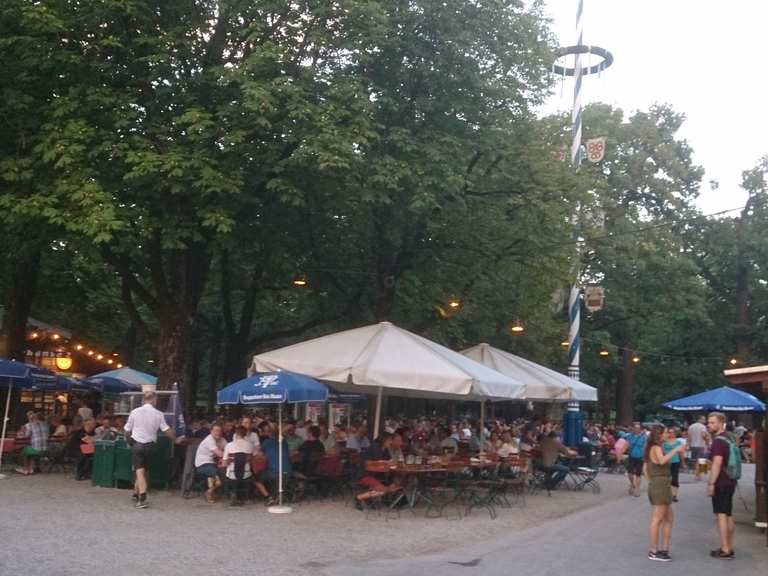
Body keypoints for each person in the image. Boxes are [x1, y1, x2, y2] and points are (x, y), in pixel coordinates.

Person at [124, 391, 174, 508]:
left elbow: (127, 429)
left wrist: (129, 441)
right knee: (143, 471)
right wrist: (175, 439)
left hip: (137, 444)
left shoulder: (135, 412)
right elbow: (166, 430)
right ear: (154, 400)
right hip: (150, 446)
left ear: (144, 399)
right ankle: (135, 494)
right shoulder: (159, 414)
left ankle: (142, 498)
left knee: (139, 471)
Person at [644, 425, 686, 561]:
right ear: (659, 434)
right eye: (667, 432)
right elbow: (662, 460)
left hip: (661, 483)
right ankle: (654, 551)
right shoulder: (656, 448)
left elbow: (645, 468)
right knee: (658, 519)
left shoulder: (654, 447)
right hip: (660, 484)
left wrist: (650, 480)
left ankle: (664, 549)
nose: (669, 434)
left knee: (668, 518)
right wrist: (676, 449)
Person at [706, 411, 738, 559]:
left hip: (721, 482)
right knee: (728, 513)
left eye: (712, 422)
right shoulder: (729, 437)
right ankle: (729, 546)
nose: (709, 425)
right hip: (731, 480)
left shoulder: (718, 441)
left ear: (720, 423)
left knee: (721, 515)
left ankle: (725, 549)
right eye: (709, 422)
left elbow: (717, 463)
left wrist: (711, 483)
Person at [194, 422, 226, 503]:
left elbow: (229, 448)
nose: (218, 433)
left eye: (219, 431)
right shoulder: (209, 440)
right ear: (211, 431)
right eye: (216, 431)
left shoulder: (222, 439)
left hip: (213, 464)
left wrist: (224, 456)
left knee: (221, 473)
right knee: (218, 475)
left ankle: (210, 490)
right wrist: (224, 456)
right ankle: (210, 492)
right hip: (202, 464)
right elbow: (220, 453)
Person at [222, 426, 254, 506]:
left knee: (223, 472)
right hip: (246, 473)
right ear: (245, 434)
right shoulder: (250, 445)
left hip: (232, 474)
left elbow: (224, 463)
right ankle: (245, 496)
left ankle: (232, 493)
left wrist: (228, 463)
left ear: (235, 434)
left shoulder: (229, 445)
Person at [15, 411, 49, 476]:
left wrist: (21, 434)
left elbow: (26, 435)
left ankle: (25, 469)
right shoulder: (46, 424)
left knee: (24, 450)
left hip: (36, 450)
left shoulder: (30, 425)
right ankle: (31, 469)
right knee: (30, 450)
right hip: (46, 450)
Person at [623, 423, 647, 497]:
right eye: (635, 428)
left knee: (638, 474)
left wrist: (645, 457)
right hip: (631, 457)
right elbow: (626, 445)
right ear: (633, 429)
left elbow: (645, 448)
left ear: (640, 429)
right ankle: (632, 484)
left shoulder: (644, 437)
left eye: (638, 428)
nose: (636, 429)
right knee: (630, 474)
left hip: (640, 457)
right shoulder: (630, 436)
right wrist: (621, 453)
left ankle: (637, 489)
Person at [663, 427, 685, 502]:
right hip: (666, 462)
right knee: (666, 478)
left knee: (675, 479)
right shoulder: (664, 442)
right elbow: (661, 452)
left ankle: (674, 495)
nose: (671, 434)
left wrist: (683, 463)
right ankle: (666, 494)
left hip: (675, 461)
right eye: (670, 432)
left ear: (675, 433)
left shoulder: (678, 442)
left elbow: (681, 453)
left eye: (673, 432)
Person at [688, 416, 709, 481]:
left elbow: (689, 436)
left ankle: (697, 474)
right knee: (701, 460)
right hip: (701, 445)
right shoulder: (703, 427)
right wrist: (707, 440)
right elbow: (703, 435)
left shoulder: (691, 426)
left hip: (693, 445)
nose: (705, 420)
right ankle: (699, 475)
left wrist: (689, 444)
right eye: (704, 419)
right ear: (700, 419)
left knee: (695, 460)